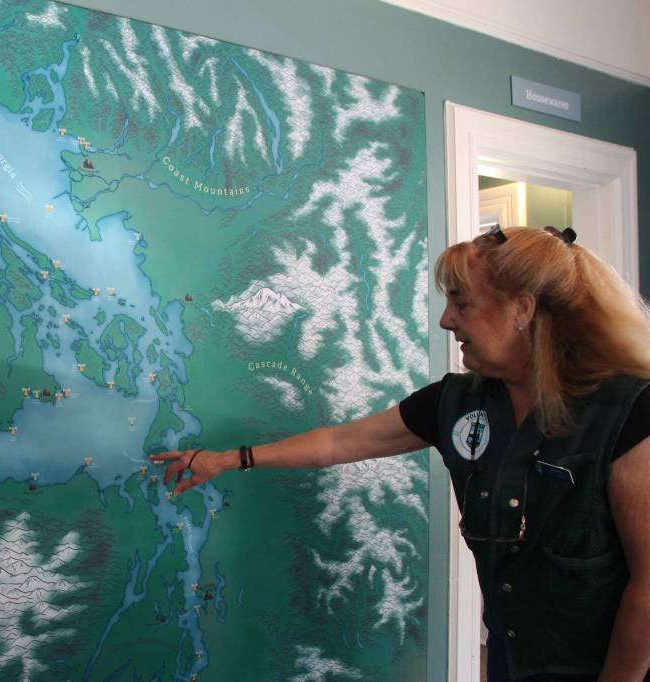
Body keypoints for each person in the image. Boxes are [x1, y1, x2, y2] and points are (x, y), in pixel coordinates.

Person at [151, 225, 650, 681]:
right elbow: (338, 443)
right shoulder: (457, 401)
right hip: (513, 661)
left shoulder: (629, 411)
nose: (445, 321)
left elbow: (647, 593)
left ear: (523, 308)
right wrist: (229, 459)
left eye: (462, 303)